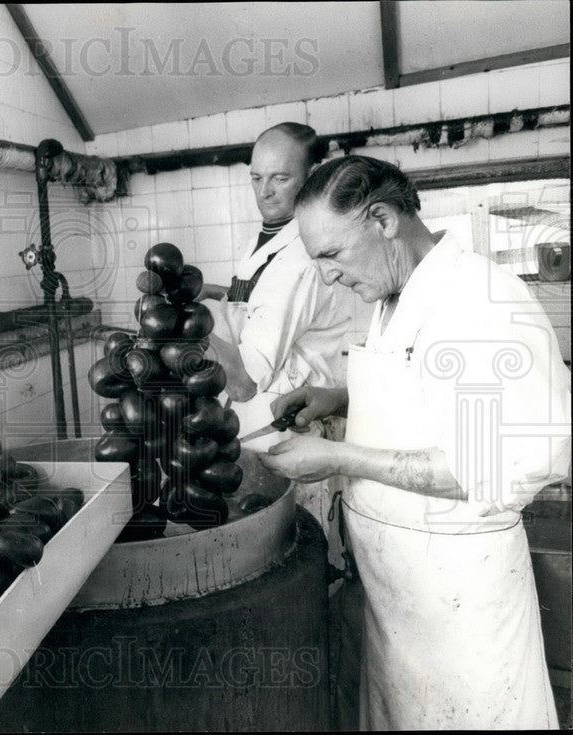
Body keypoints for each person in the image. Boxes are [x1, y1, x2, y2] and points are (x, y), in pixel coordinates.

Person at [262, 154, 570, 730]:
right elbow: (431, 395)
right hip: (397, 590)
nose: (327, 276)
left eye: (330, 254)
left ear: (382, 219)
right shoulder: (393, 295)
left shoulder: (478, 303)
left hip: (457, 595)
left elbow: (482, 466)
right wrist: (340, 397)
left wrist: (336, 456)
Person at [201, 123, 351, 443]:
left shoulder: (299, 258)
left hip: (290, 426)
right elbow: (258, 298)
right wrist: (212, 291)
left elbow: (242, 381)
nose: (264, 192)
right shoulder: (264, 241)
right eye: (256, 178)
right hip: (260, 414)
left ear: (314, 174)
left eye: (280, 178)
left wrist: (184, 326)